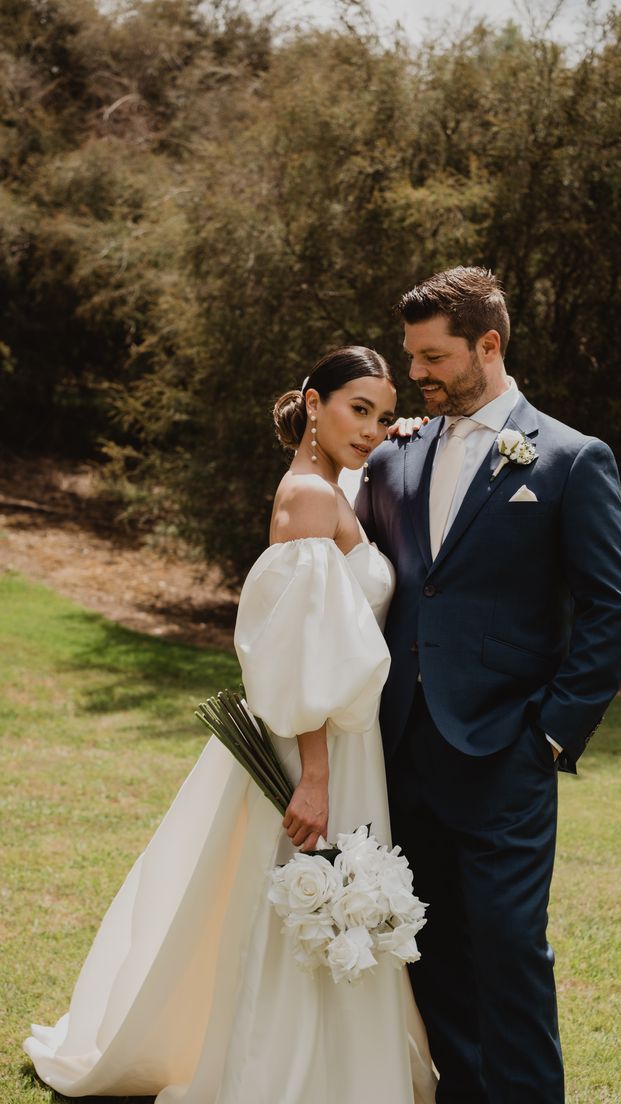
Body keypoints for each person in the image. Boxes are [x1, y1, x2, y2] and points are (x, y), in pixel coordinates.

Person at [23, 346, 437, 1104]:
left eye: (383, 415)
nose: (373, 429)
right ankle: (286, 1076)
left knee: (303, 894)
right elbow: (303, 651)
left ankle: (335, 1069)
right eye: (358, 410)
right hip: (318, 743)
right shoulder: (309, 497)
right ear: (313, 403)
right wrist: (313, 775)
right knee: (299, 898)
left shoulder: (330, 486)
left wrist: (402, 432)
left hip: (345, 738)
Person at [355, 267, 621, 1104]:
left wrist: (552, 731)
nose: (416, 375)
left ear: (490, 345)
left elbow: (614, 605)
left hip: (505, 755)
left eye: (433, 356)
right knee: (432, 951)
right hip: (404, 749)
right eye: (412, 357)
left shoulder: (568, 458)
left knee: (511, 953)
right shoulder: (397, 456)